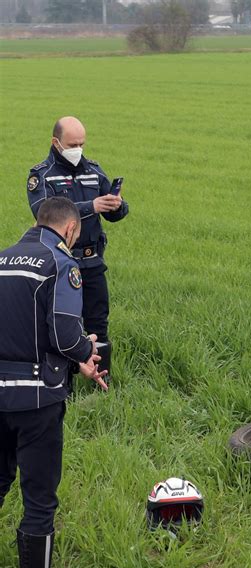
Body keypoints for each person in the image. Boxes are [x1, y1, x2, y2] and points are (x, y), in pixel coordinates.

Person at [0, 197, 107, 568]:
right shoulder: (62, 265)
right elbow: (63, 334)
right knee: (39, 494)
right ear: (70, 230)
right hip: (37, 399)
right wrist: (84, 353)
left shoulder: (3, 258)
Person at [26, 116, 129, 378]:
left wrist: (117, 205)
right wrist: (90, 207)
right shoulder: (42, 176)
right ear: (56, 143)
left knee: (98, 322)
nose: (78, 149)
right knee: (60, 324)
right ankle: (62, 382)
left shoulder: (93, 171)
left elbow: (114, 213)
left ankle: (101, 379)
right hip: (59, 263)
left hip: (92, 260)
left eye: (82, 143)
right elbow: (43, 212)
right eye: (73, 144)